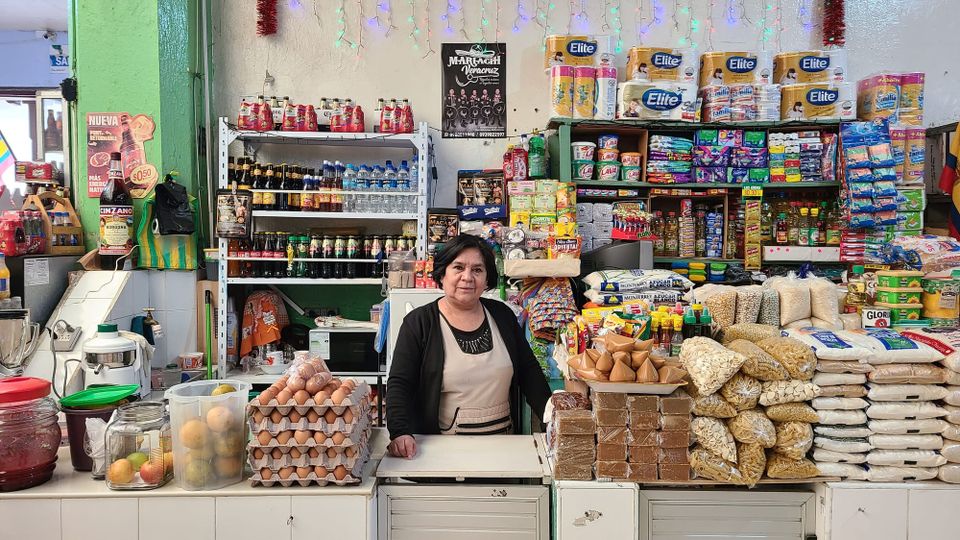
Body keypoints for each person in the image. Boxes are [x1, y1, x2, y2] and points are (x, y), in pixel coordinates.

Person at [386, 234, 551, 458]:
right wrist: (400, 432)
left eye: (477, 270)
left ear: (486, 279)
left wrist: (552, 419)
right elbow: (400, 383)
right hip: (440, 451)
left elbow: (529, 371)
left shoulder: (501, 315)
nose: (467, 277)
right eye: (458, 267)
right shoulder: (420, 323)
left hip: (503, 449)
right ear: (442, 273)